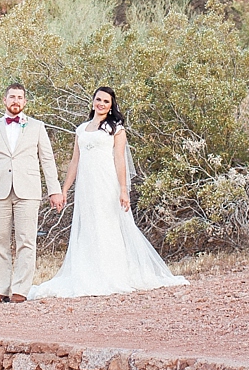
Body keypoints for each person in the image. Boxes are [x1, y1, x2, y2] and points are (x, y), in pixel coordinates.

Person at [29, 86, 187, 300]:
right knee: (89, 225)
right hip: (87, 187)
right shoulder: (81, 130)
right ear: (93, 101)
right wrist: (64, 189)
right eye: (98, 100)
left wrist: (123, 189)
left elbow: (119, 160)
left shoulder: (116, 130)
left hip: (107, 183)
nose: (101, 104)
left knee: (108, 224)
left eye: (106, 101)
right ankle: (89, 271)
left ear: (111, 106)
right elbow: (75, 161)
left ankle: (113, 272)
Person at [0, 82, 63, 303]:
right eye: (12, 97)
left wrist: (54, 190)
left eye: (20, 97)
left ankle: (20, 290)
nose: (16, 101)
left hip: (28, 190)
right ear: (4, 100)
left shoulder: (37, 127)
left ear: (25, 101)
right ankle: (0, 289)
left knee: (26, 240)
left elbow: (47, 160)